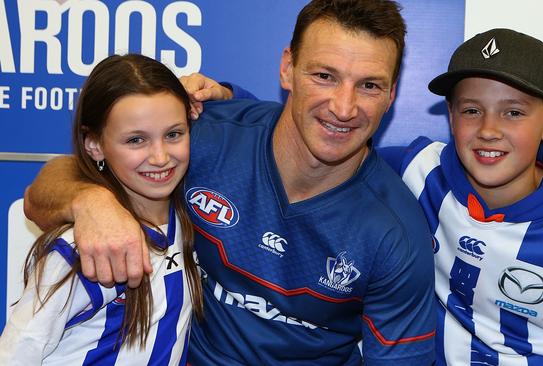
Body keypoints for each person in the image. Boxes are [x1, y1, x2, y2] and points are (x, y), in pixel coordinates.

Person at [23, 1, 437, 365]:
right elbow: (46, 188)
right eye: (324, 76)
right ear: (287, 68)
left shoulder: (395, 233)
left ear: (391, 94)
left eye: (369, 85)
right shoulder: (204, 137)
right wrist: (91, 201)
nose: (344, 107)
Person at [380, 28, 543, 364]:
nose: (488, 130)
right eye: (471, 110)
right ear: (451, 116)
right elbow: (326, 156)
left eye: (513, 112)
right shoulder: (419, 170)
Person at [0, 54, 203, 364]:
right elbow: (17, 353)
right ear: (94, 144)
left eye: (173, 134)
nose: (161, 157)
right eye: (136, 140)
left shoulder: (193, 219)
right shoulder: (83, 246)